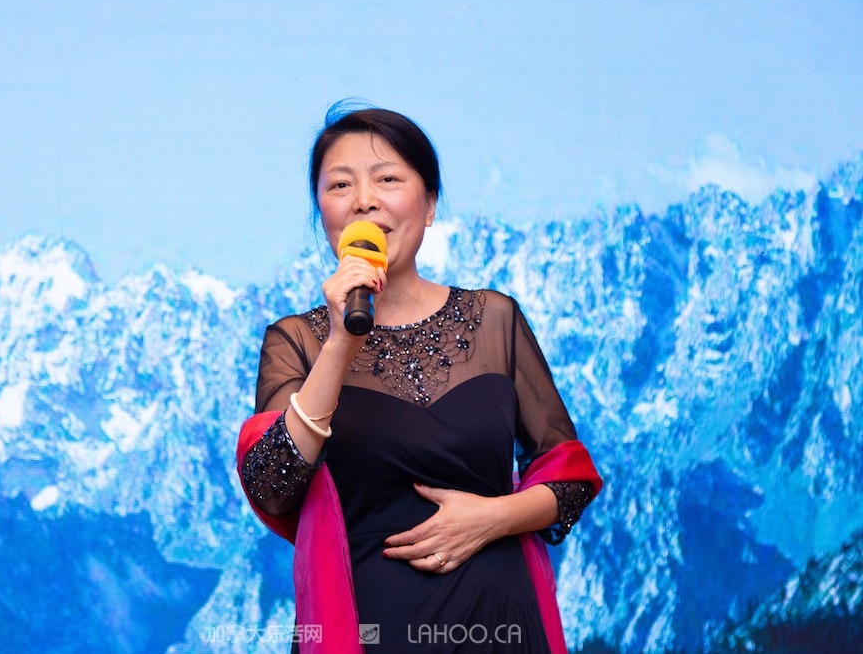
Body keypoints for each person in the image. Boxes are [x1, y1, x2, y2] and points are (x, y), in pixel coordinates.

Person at [237, 104, 603, 653]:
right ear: (322, 213)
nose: (364, 200)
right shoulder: (297, 341)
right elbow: (272, 486)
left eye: (387, 179)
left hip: (502, 627)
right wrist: (340, 343)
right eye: (341, 184)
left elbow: (569, 480)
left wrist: (492, 517)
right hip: (370, 632)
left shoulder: (495, 320)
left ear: (429, 204)